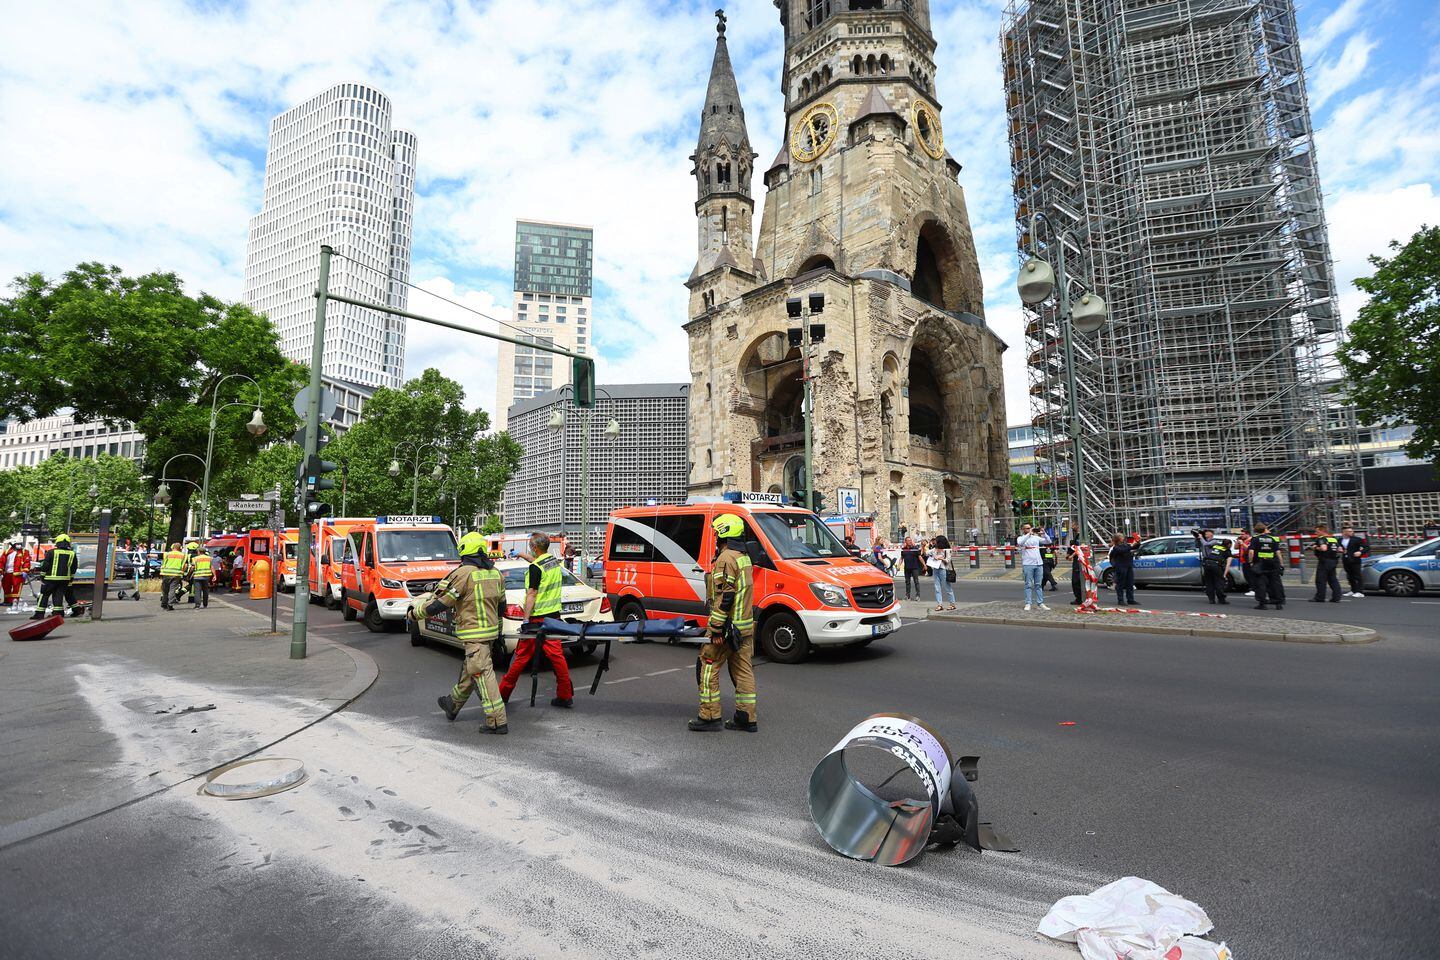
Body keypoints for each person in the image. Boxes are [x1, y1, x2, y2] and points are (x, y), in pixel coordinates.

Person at [423, 532, 509, 734]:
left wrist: (413, 614)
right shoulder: (495, 573)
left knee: (481, 674)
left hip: (473, 635)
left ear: (464, 551)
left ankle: (497, 721)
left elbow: (440, 604)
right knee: (471, 671)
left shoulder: (463, 573)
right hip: (489, 634)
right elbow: (501, 608)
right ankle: (452, 705)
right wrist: (498, 634)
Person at [688, 513, 758, 733]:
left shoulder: (725, 558)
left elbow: (725, 596)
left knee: (708, 664)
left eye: (718, 532)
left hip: (728, 628)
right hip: (745, 627)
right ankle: (746, 717)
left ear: (726, 532)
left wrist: (717, 628)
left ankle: (709, 716)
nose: (716, 536)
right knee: (743, 671)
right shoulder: (743, 557)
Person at [498, 533, 575, 708]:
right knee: (557, 657)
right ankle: (565, 694)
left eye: (531, 547)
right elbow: (536, 562)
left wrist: (525, 619)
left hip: (537, 618)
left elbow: (531, 593)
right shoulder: (552, 562)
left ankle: (503, 694)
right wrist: (521, 555)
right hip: (554, 617)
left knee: (521, 657)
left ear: (534, 547)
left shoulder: (535, 568)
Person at [31, 533, 79, 620]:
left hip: (50, 579)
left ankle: (39, 614)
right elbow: (73, 568)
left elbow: (45, 565)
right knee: (58, 596)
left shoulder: (51, 552)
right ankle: (58, 613)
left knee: (44, 595)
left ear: (57, 542)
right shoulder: (72, 554)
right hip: (64, 579)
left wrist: (42, 576)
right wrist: (70, 578)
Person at [1248, 523, 1286, 610]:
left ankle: (1262, 603)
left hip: (1260, 564)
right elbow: (1278, 553)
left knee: (1261, 584)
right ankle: (1278, 603)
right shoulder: (1272, 539)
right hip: (1272, 563)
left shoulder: (1255, 539)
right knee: (1275, 584)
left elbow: (1251, 552)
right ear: (1265, 529)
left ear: (1255, 530)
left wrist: (1250, 561)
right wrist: (1281, 564)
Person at [1016, 523, 1049, 611]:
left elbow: (1048, 541)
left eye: (1030, 528)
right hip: (1028, 564)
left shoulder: (1036, 538)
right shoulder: (1021, 538)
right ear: (1023, 529)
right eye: (1027, 528)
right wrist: (1028, 534)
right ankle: (1028, 603)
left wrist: (1044, 533)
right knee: (1028, 584)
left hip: (1038, 563)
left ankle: (1040, 603)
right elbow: (1020, 543)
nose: (1029, 529)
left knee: (1038, 585)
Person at [1196, 529, 1232, 604]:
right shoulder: (1227, 551)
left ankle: (1211, 599)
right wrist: (1224, 575)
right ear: (1229, 545)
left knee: (1209, 582)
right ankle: (1221, 600)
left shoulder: (1216, 546)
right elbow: (1228, 564)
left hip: (1207, 564)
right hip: (1215, 566)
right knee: (1219, 582)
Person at [1310, 524, 1342, 603]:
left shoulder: (1321, 539)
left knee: (1320, 580)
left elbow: (1324, 548)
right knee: (1333, 579)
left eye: (1317, 531)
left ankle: (1320, 597)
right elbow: (1340, 549)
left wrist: (1315, 547)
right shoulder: (1333, 539)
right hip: (1333, 561)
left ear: (1322, 531)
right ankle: (1336, 597)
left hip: (1324, 561)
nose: (1316, 533)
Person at [1338, 525, 1368, 598]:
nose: (1352, 532)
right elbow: (1339, 547)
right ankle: (1353, 590)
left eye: (1352, 531)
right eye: (1350, 531)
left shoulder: (1357, 539)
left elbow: (1366, 547)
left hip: (1355, 560)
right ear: (1344, 532)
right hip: (1346, 559)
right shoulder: (1339, 540)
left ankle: (1360, 591)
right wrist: (1339, 549)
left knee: (1357, 575)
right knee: (1350, 576)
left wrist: (1360, 552)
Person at [928, 535, 956, 611]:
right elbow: (927, 553)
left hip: (943, 569)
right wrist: (926, 546)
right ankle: (939, 604)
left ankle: (952, 604)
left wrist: (940, 558)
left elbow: (948, 560)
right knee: (937, 588)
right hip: (935, 569)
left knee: (947, 587)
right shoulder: (935, 549)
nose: (935, 542)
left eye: (936, 540)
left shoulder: (946, 550)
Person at [159, 542, 186, 611]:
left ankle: (164, 604)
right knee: (172, 590)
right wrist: (182, 573)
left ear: (173, 547)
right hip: (176, 574)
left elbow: (162, 561)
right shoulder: (183, 555)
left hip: (166, 573)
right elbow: (184, 566)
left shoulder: (167, 554)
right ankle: (170, 605)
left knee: (165, 590)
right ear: (180, 548)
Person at [2, 540, 30, 607]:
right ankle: (7, 601)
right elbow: (1, 561)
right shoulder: (7, 552)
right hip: (7, 573)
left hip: (18, 574)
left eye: (20, 543)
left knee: (16, 588)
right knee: (6, 587)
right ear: (13, 544)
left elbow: (27, 562)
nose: (19, 545)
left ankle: (15, 600)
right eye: (17, 544)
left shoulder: (24, 552)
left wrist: (25, 571)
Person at [900, 537, 924, 601]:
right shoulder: (903, 549)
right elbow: (901, 558)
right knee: (907, 582)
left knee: (916, 582)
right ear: (906, 542)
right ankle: (907, 596)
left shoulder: (915, 549)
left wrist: (924, 565)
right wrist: (899, 565)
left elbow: (920, 557)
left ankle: (918, 596)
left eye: (910, 540)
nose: (910, 541)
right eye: (908, 540)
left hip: (914, 568)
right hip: (907, 568)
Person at [1233, 529, 1253, 597]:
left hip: (1248, 560)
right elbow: (1235, 548)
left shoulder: (1251, 540)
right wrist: (1237, 542)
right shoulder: (1243, 541)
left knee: (1250, 576)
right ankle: (1252, 588)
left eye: (1243, 534)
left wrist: (1242, 543)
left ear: (1247, 534)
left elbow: (1249, 549)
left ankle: (1253, 589)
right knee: (1247, 576)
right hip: (1243, 561)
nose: (1241, 536)